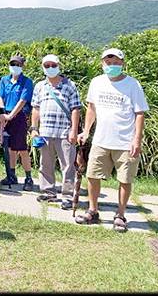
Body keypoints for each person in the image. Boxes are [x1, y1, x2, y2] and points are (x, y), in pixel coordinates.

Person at [75, 48, 149, 232]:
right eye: (108, 63)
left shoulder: (133, 85)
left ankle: (121, 214)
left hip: (125, 142)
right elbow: (91, 108)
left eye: (116, 62)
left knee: (125, 179)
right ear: (102, 63)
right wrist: (86, 131)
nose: (112, 66)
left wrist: (136, 140)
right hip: (101, 139)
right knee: (92, 175)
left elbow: (139, 114)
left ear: (122, 63)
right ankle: (93, 210)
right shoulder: (97, 82)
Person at [31, 54, 81, 207]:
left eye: (53, 65)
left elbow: (75, 109)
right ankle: (48, 192)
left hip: (64, 132)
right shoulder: (39, 86)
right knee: (45, 164)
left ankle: (67, 196)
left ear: (59, 66)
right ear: (43, 67)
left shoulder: (69, 85)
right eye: (47, 66)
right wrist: (34, 128)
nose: (50, 68)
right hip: (45, 132)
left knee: (68, 166)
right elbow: (35, 108)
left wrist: (73, 130)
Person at [0, 54, 35, 191]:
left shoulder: (27, 82)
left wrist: (10, 116)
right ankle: (11, 175)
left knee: (22, 149)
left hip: (18, 117)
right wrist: (2, 113)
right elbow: (0, 96)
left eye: (18, 65)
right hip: (5, 115)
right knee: (9, 148)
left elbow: (23, 101)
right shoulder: (4, 80)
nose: (15, 67)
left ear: (22, 66)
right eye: (13, 64)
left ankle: (28, 177)